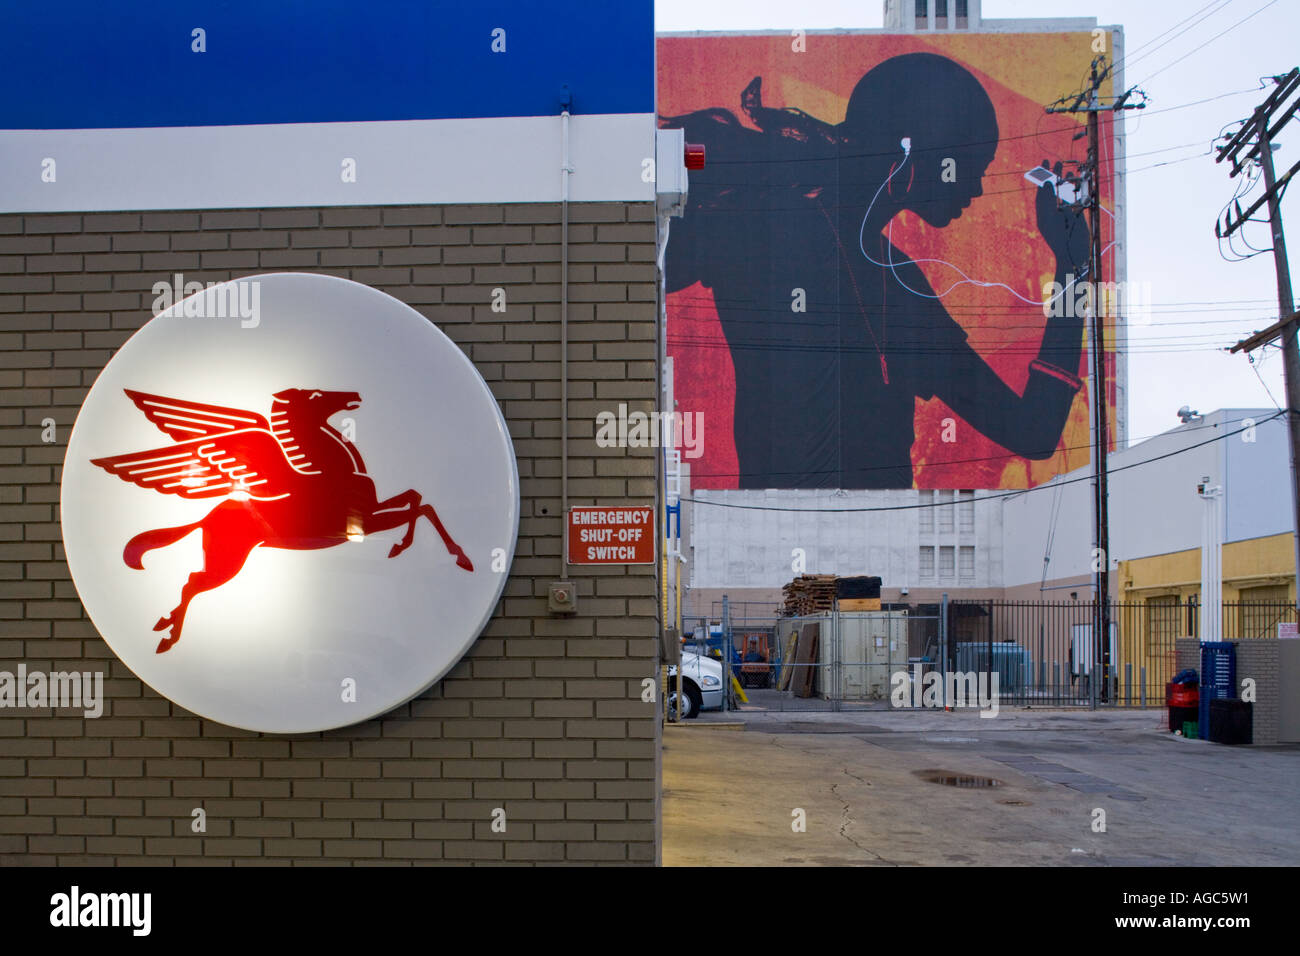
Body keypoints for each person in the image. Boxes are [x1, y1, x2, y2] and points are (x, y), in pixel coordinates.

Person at [663, 53, 1091, 489]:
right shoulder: (784, 235)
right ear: (911, 151)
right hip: (845, 539)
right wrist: (1073, 268)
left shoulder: (887, 277)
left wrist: (1073, 268)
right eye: (968, 166)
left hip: (814, 538)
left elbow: (1033, 433)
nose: (977, 187)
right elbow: (1031, 431)